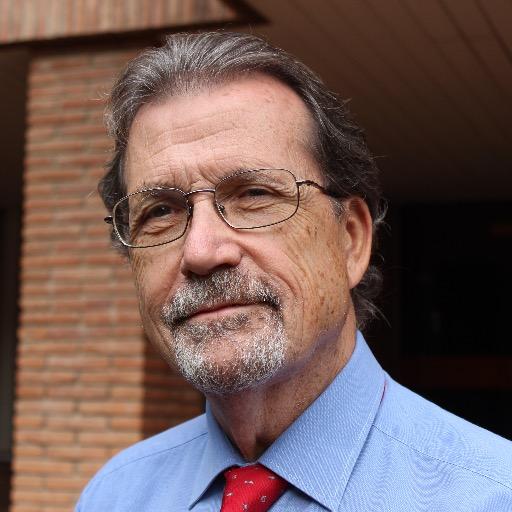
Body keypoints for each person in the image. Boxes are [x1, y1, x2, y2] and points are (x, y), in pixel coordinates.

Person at [76, 31, 512, 511]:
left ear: (351, 239)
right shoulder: (115, 494)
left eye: (254, 195)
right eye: (160, 211)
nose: (200, 251)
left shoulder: (492, 494)